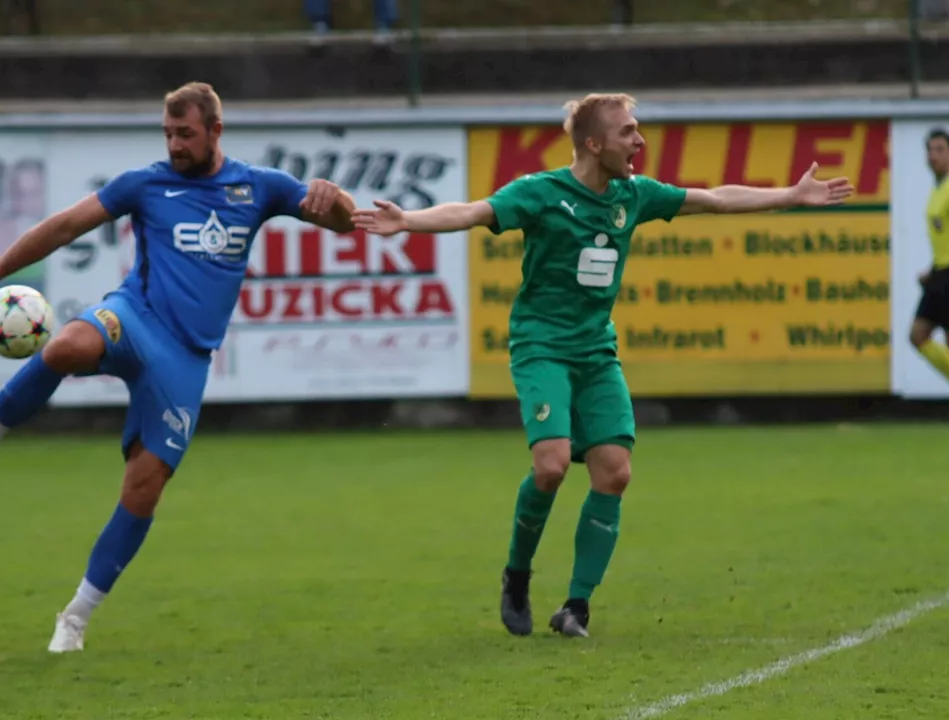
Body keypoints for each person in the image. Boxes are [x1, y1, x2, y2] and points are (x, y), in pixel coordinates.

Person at [353, 93, 853, 638]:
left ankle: (576, 606)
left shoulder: (633, 195)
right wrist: (408, 221)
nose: (639, 141)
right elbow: (473, 212)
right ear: (594, 143)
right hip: (542, 346)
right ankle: (516, 576)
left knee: (614, 472)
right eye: (628, 132)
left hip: (595, 351)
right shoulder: (542, 193)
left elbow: (713, 200)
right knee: (551, 467)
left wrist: (792, 195)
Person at [0, 82, 356, 653]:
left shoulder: (255, 187)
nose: (174, 145)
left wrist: (330, 196)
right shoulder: (145, 183)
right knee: (65, 345)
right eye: (168, 134)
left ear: (215, 131)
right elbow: (66, 225)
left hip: (186, 357)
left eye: (185, 134)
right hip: (134, 316)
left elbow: (343, 222)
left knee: (143, 489)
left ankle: (75, 617)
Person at [909, 127, 949, 391]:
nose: (933, 155)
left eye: (940, 149)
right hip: (941, 272)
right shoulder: (938, 189)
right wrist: (932, 272)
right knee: (917, 335)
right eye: (930, 150)